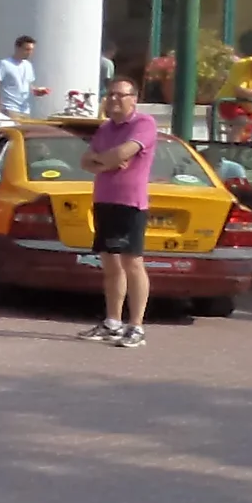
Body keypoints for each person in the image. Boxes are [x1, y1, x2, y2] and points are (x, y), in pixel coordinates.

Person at [80, 77, 158, 348]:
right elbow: (85, 161)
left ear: (133, 99)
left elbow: (124, 152)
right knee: (110, 263)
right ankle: (112, 321)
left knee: (132, 262)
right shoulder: (105, 128)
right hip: (104, 200)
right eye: (110, 94)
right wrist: (107, 162)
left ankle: (136, 326)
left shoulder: (144, 124)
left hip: (130, 203)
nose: (114, 99)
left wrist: (105, 159)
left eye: (120, 95)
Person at [0, 36, 48, 118]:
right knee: (13, 130)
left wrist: (37, 91)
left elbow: (29, 85)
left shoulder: (28, 65)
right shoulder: (4, 64)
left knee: (26, 131)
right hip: (9, 108)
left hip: (25, 109)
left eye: (31, 50)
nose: (30, 52)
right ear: (17, 48)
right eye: (27, 49)